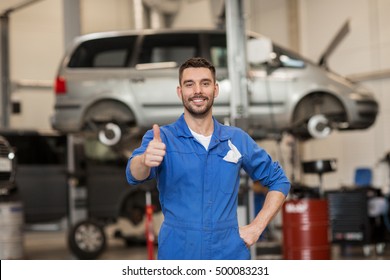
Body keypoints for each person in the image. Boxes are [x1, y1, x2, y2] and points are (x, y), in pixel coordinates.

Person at [126, 57, 290, 260]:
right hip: (178, 252)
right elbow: (133, 174)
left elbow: (279, 180)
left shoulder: (236, 139)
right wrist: (144, 160)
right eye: (189, 84)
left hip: (228, 253)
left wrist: (257, 227)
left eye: (205, 83)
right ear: (180, 92)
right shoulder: (162, 138)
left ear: (215, 89)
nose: (197, 91)